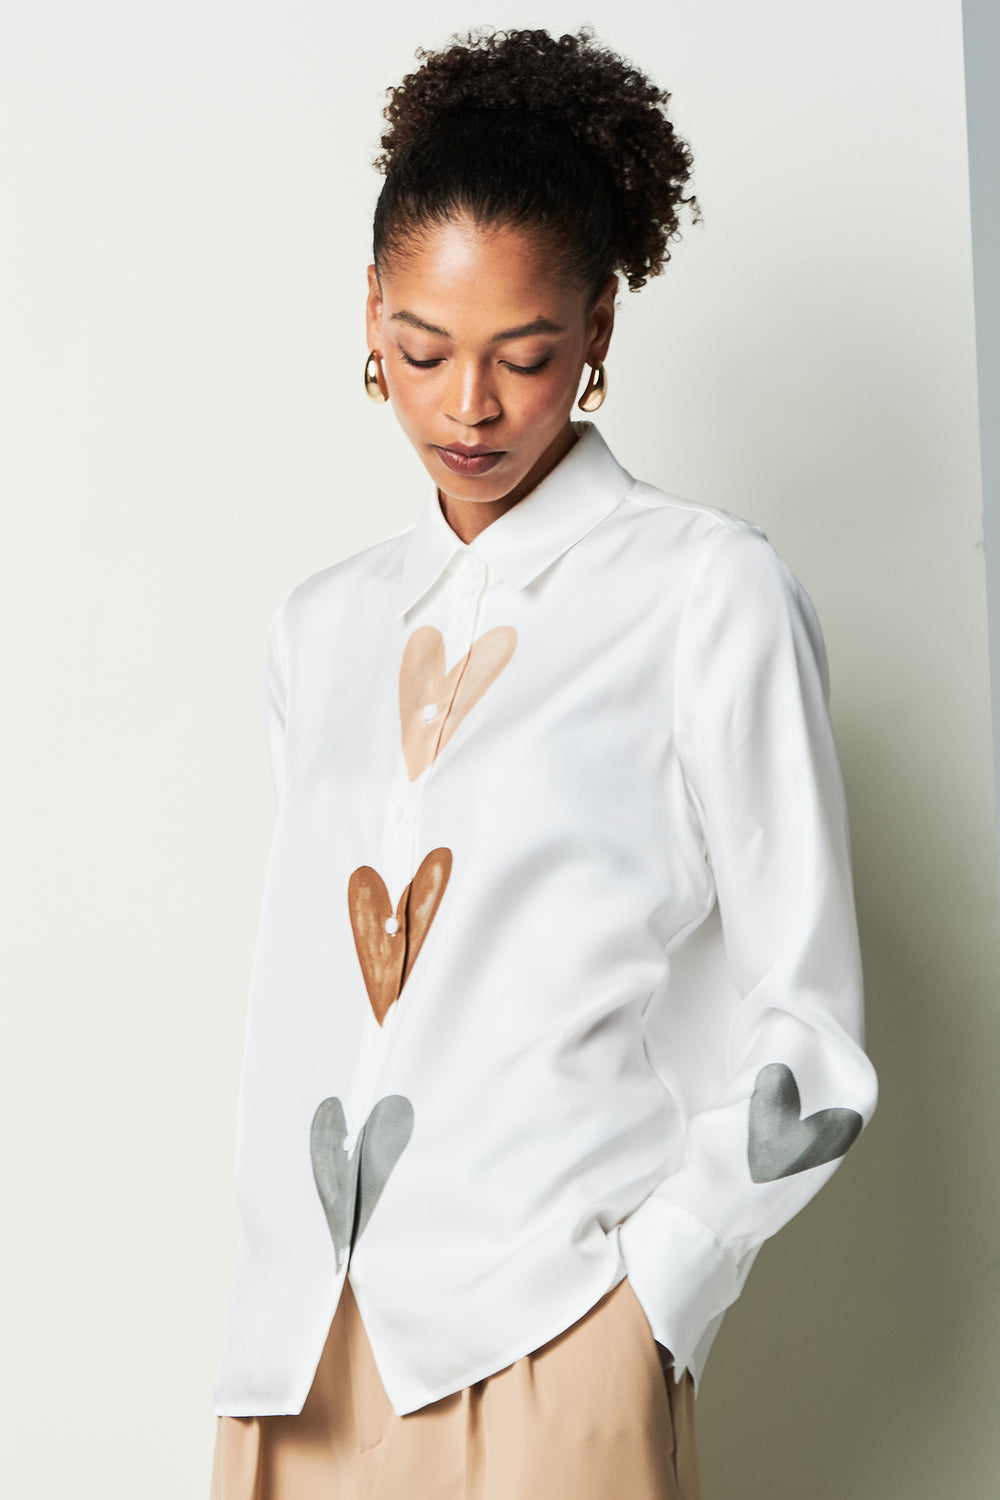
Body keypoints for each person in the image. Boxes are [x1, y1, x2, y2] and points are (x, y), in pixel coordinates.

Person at [208, 25, 879, 1500]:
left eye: (526, 354)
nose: (470, 407)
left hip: (549, 1329)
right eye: (422, 351)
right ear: (369, 315)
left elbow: (810, 1024)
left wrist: (653, 1300)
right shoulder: (322, 626)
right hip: (298, 1351)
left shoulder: (706, 591)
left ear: (600, 329)